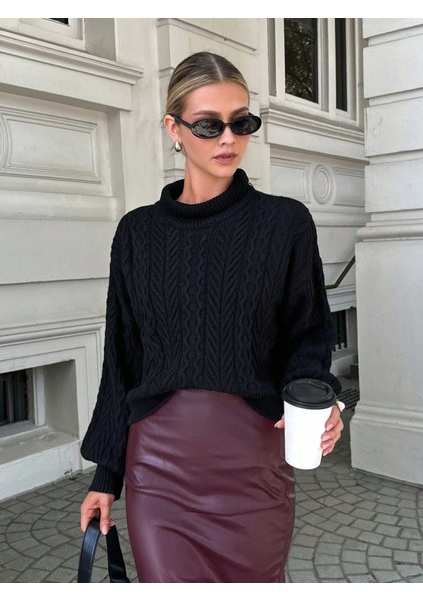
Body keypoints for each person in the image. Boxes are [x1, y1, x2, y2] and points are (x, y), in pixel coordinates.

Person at [80, 50, 344, 583]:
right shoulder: (137, 233)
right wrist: (106, 474)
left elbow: (308, 335)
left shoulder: (284, 223)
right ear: (173, 129)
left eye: (241, 123)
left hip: (255, 464)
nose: (229, 139)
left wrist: (321, 397)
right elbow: (122, 358)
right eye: (209, 125)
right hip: (158, 469)